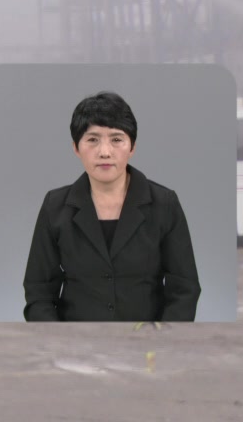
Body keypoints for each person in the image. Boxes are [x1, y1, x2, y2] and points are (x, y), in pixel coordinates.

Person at [23, 91, 201, 321]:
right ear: (76, 148)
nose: (105, 152)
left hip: (148, 342)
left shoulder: (164, 203)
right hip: (77, 342)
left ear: (132, 146)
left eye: (116, 139)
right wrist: (60, 340)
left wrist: (164, 340)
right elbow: (39, 290)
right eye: (92, 139)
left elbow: (184, 289)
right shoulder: (55, 206)